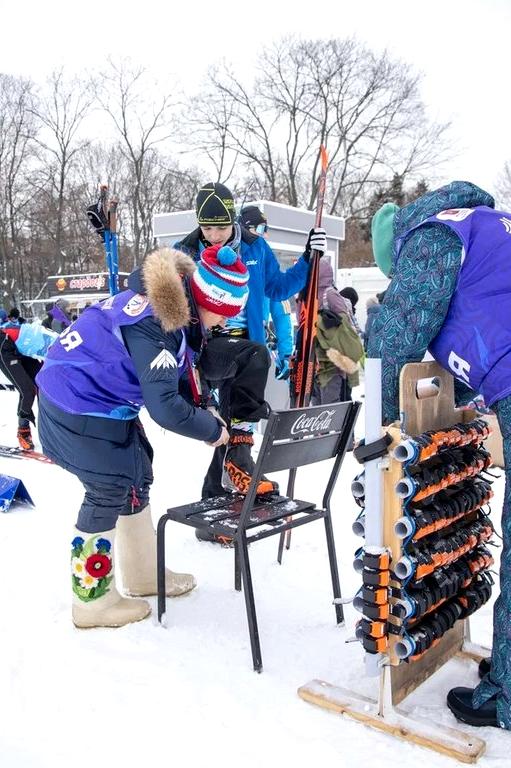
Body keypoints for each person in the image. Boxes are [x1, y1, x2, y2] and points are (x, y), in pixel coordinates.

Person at [35, 244, 248, 628]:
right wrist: (212, 429)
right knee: (109, 487)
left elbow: (180, 375)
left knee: (136, 476)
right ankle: (92, 602)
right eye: (225, 314)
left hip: (102, 402)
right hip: (75, 402)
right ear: (208, 300)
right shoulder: (156, 321)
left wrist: (206, 406)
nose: (223, 324)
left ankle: (143, 574)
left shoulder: (175, 314)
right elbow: (164, 406)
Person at [367, 180, 511, 730]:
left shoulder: (433, 236)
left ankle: (506, 696)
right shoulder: (482, 231)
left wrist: (380, 423)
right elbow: (471, 347)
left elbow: (395, 339)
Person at [174, 182, 326, 505]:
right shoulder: (185, 251)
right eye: (207, 228)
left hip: (246, 346)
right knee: (258, 358)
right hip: (209, 347)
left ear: (234, 220)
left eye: (221, 227)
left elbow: (279, 287)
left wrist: (309, 258)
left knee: (229, 422)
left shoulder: (256, 248)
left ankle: (220, 490)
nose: (214, 236)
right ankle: (239, 463)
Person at [239, 205, 294, 381]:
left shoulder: (265, 261)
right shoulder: (227, 257)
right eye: (262, 229)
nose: (266, 234)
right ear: (246, 229)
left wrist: (285, 354)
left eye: (266, 229)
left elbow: (282, 314)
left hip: (257, 349)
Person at [312, 259, 363, 404]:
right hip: (312, 361)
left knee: (331, 406)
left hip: (330, 361)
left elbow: (345, 327)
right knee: (316, 408)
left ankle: (341, 427)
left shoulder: (330, 295)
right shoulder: (308, 295)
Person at [0, 319, 54, 449]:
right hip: (5, 347)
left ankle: (48, 432)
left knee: (42, 386)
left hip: (25, 347)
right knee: (27, 391)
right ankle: (23, 431)